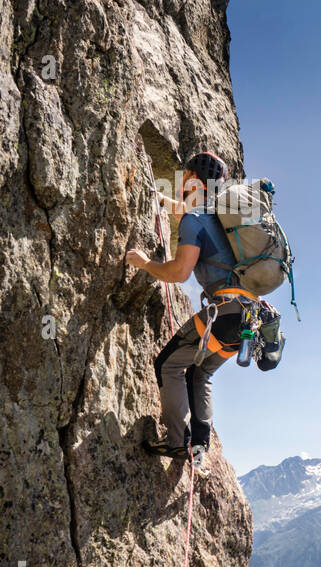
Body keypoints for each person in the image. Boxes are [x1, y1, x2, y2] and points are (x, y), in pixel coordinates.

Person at [125, 152, 244, 466]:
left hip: (221, 315)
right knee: (200, 372)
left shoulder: (197, 219)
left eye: (184, 177)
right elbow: (185, 213)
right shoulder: (221, 217)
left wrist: (144, 263)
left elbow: (179, 273)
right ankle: (199, 447)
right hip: (249, 323)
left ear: (192, 178)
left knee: (168, 365)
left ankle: (179, 443)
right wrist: (159, 198)